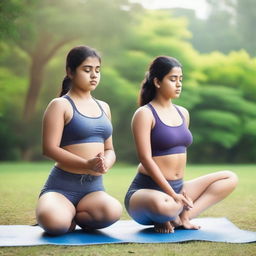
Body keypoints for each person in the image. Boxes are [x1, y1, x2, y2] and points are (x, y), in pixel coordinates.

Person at [124, 56, 238, 233]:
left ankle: (183, 217)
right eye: (172, 79)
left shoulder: (183, 113)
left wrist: (177, 194)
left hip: (178, 188)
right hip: (147, 191)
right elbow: (145, 158)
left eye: (180, 79)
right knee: (165, 206)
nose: (178, 84)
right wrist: (171, 194)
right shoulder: (144, 114)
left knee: (230, 178)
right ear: (157, 82)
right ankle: (168, 214)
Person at [36, 45, 122, 235]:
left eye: (97, 70)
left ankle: (73, 215)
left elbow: (110, 149)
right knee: (55, 224)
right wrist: (86, 163)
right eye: (87, 69)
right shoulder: (60, 105)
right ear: (70, 72)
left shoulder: (104, 107)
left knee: (113, 211)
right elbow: (49, 148)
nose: (94, 75)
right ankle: (60, 212)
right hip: (61, 187)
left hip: (93, 189)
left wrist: (105, 163)